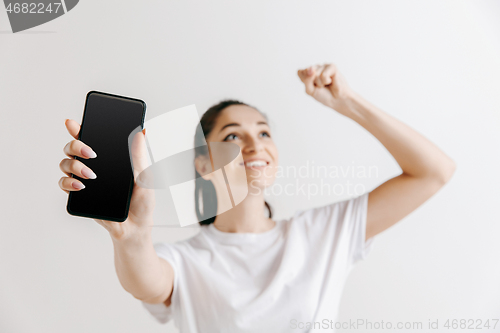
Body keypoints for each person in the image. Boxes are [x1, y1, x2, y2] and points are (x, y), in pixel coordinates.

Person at [58, 63, 456, 332]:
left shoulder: (324, 233)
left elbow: (434, 172)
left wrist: (347, 101)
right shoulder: (187, 261)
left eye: (264, 132)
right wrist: (132, 237)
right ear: (201, 162)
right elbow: (145, 281)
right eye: (232, 136)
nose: (255, 145)